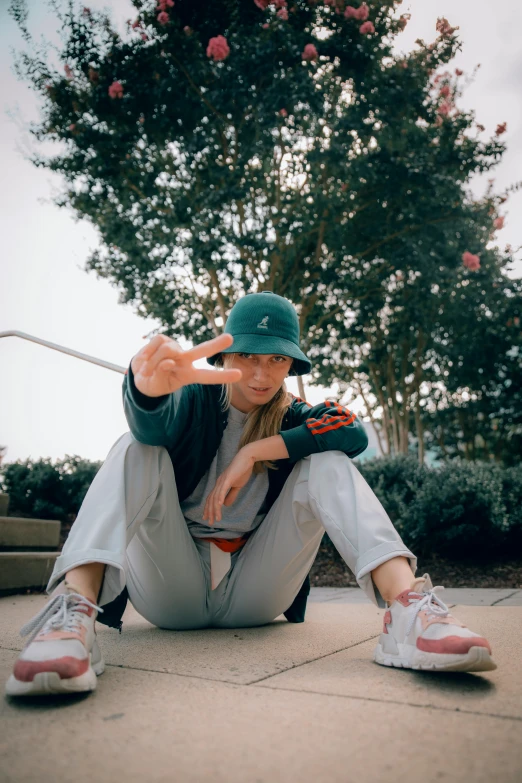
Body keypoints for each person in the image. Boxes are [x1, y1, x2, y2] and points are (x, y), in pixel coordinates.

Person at [5, 292, 496, 697]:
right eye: (248, 357)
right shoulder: (192, 398)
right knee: (136, 449)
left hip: (255, 592)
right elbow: (153, 426)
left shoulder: (294, 414)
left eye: (276, 359)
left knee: (327, 459)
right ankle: (71, 621)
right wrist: (147, 394)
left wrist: (261, 448)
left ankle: (410, 613)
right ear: (225, 355)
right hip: (172, 589)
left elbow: (352, 434)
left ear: (290, 363)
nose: (261, 375)